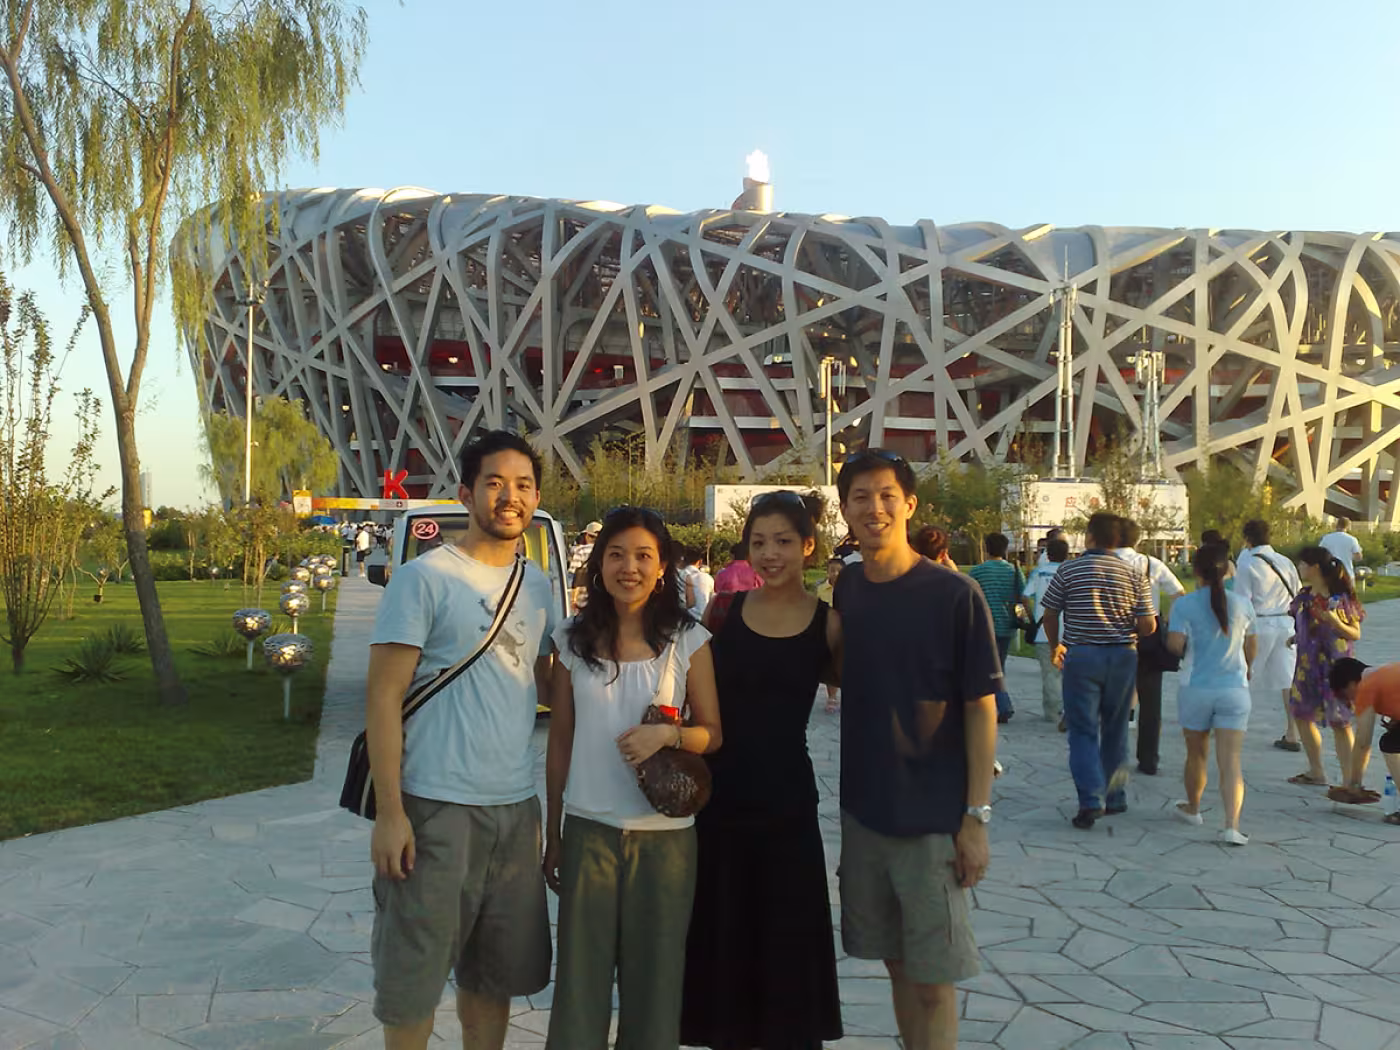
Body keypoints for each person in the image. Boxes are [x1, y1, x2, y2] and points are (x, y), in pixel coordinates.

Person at [364, 431, 558, 1050]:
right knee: (413, 975)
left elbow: (554, 676)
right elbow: (384, 698)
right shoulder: (425, 579)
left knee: (493, 973)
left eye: (524, 485)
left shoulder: (539, 586)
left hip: (513, 808)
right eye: (496, 483)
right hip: (435, 807)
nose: (511, 497)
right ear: (465, 493)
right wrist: (390, 815)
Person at [833, 448, 999, 1050]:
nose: (873, 508)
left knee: (934, 980)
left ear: (909, 504)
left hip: (932, 820)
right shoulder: (849, 585)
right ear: (845, 509)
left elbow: (982, 708)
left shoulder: (954, 595)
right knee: (896, 965)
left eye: (885, 495)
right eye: (859, 497)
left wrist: (975, 817)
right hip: (865, 813)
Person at [543, 508, 722, 1050]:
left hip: (665, 840)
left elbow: (713, 734)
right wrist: (554, 833)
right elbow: (560, 743)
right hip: (589, 830)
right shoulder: (571, 640)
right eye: (617, 554)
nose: (630, 567)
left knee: (656, 981)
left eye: (644, 556)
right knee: (580, 980)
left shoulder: (688, 640)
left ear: (663, 566)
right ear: (599, 564)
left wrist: (669, 737)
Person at [682, 491, 844, 1050]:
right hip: (719, 800)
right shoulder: (723, 613)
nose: (770, 554)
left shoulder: (829, 624)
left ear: (808, 547)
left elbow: (877, 692)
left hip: (788, 805)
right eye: (758, 542)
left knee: (786, 944)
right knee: (725, 940)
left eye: (782, 542)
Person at [1040, 512, 1157, 830]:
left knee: (1082, 730)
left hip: (1082, 656)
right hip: (1122, 657)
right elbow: (1148, 625)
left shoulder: (1069, 569)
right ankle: (1115, 794)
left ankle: (1091, 799)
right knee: (1117, 728)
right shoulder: (1133, 574)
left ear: (1090, 537)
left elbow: (1050, 613)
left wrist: (1056, 645)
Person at [1165, 544, 1258, 845]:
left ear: (1196, 571)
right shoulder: (1243, 604)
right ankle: (1232, 824)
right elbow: (1251, 646)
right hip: (1234, 689)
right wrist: (1247, 668)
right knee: (1231, 760)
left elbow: (1175, 646)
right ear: (1227, 570)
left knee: (1197, 754)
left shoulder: (1184, 606)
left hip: (1196, 688)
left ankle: (1193, 808)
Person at [1112, 517, 1186, 776]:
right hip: (1149, 632)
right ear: (1138, 539)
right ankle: (1148, 758)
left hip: (1115, 634)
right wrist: (1167, 619)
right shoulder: (1151, 564)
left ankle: (1113, 754)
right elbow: (1178, 593)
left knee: (1114, 699)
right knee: (1151, 701)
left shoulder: (1104, 563)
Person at [1287, 547, 1364, 789]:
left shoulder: (1339, 599)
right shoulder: (1305, 597)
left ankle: (1351, 781)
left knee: (1340, 722)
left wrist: (1335, 621)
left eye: (1302, 564)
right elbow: (1304, 625)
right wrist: (1296, 637)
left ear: (1315, 567)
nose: (1299, 568)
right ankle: (1316, 771)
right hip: (1307, 666)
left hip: (1337, 668)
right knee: (1301, 714)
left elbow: (1355, 633)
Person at [1234, 520, 1304, 754]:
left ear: (1247, 538)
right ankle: (1292, 732)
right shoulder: (1285, 561)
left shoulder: (1248, 563)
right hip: (1286, 623)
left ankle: (1233, 726)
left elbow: (1241, 600)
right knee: (1288, 680)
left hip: (1260, 623)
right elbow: (1298, 592)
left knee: (1244, 674)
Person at [968, 532, 1024, 724]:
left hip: (984, 625)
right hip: (1007, 624)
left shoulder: (977, 572)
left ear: (986, 548)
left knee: (991, 666)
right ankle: (1001, 703)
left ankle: (1003, 704)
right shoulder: (1014, 571)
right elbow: (1022, 596)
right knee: (999, 664)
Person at [1330, 658, 1398, 814]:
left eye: (1344, 694)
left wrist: (1354, 785)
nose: (1349, 701)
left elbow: (1363, 741)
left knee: (1389, 743)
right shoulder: (1382, 671)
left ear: (1352, 683)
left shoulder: (1365, 687)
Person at [1023, 536, 1069, 728]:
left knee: (1050, 673)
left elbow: (1025, 596)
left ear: (1047, 554)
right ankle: (1069, 709)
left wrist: (1032, 619)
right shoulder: (1071, 572)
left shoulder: (1039, 572)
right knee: (1070, 674)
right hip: (1070, 630)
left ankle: (1052, 711)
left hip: (1044, 630)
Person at [816, 555, 845, 713]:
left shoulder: (851, 589)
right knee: (829, 665)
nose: (834, 574)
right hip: (827, 631)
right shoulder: (822, 590)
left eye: (838, 571)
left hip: (846, 632)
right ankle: (832, 697)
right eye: (831, 570)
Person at [568, 520, 602, 606]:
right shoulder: (607, 551)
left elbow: (573, 575)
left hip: (583, 599)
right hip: (603, 598)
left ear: (587, 535)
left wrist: (573, 598)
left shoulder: (581, 551)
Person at [1319, 516, 1363, 582]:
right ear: (1348, 526)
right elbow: (1358, 557)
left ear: (1337, 524)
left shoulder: (1326, 538)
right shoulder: (1352, 540)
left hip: (1330, 573)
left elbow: (1319, 553)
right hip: (1347, 573)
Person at [680, 545, 715, 621]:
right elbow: (712, 601)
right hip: (704, 621)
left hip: (684, 621)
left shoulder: (680, 576)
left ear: (683, 560)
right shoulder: (708, 578)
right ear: (700, 561)